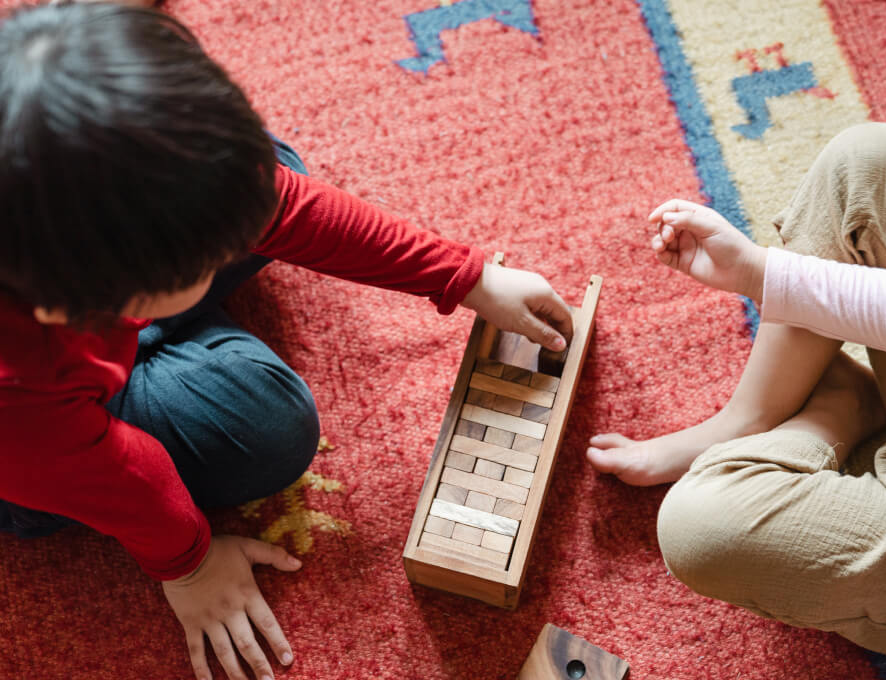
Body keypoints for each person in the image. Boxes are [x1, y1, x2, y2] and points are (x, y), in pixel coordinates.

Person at [0, 4, 572, 680]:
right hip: (31, 454)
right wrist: (189, 563)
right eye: (205, 260)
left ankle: (161, 319)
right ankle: (147, 345)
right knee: (266, 432)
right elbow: (120, 478)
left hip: (78, 335)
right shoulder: (22, 394)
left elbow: (285, 205)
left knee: (268, 171)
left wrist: (465, 276)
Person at [587, 123, 886, 677]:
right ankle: (747, 420)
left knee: (696, 527)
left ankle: (845, 409)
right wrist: (755, 269)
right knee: (870, 161)